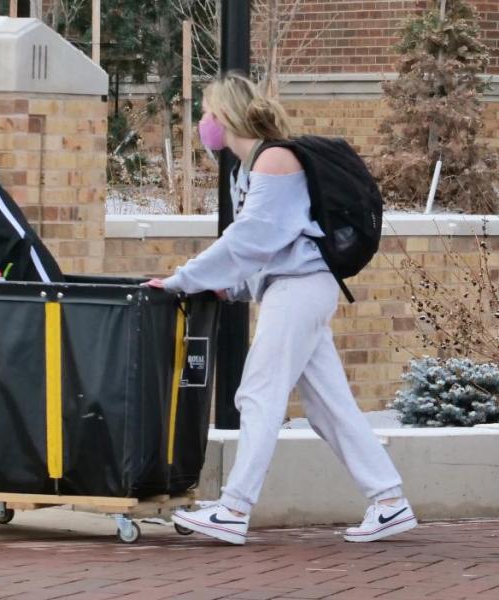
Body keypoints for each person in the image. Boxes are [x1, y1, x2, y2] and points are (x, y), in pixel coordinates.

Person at [144, 72, 417, 546]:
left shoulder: (273, 160)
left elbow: (249, 242)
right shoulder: (247, 167)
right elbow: (270, 244)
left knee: (258, 394)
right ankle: (389, 500)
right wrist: (235, 290)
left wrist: (181, 280)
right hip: (295, 287)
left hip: (299, 290)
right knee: (329, 408)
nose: (203, 122)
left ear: (227, 116)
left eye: (207, 113)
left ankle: (233, 509)